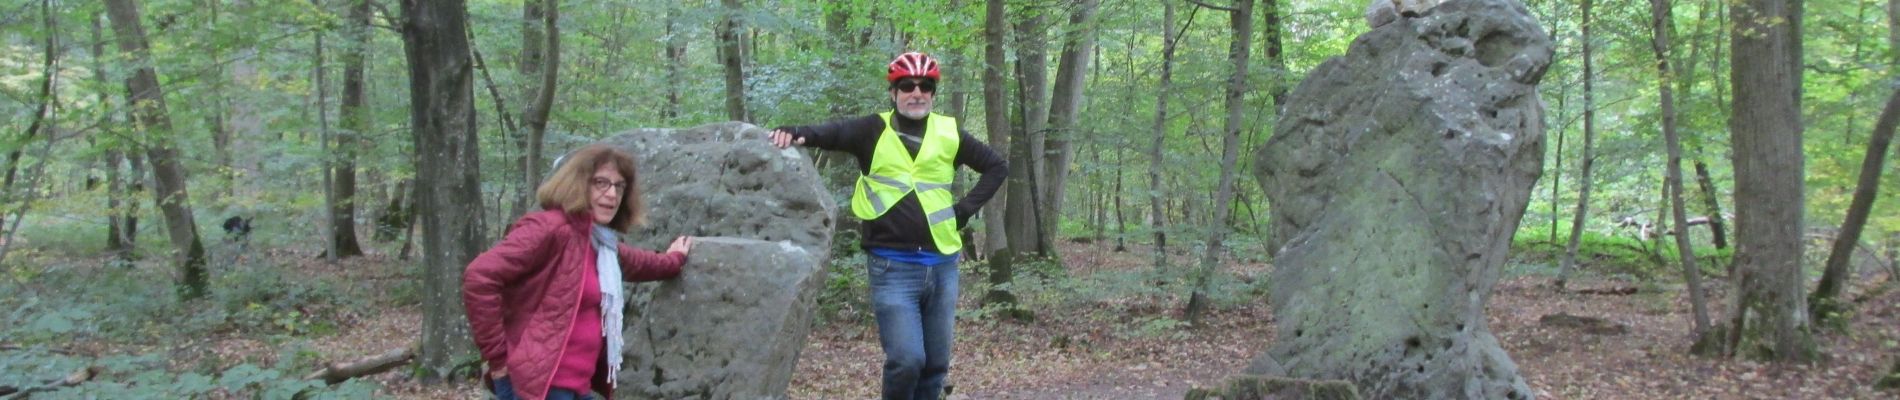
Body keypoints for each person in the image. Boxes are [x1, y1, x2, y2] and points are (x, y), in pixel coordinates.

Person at [768, 51, 1007, 400]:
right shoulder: (871, 130)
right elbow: (829, 133)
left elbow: (996, 167)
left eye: (925, 86)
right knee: (906, 360)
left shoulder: (949, 131)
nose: (917, 93)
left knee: (935, 366)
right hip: (892, 267)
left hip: (943, 266)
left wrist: (964, 210)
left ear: (933, 93)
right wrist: (793, 133)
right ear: (893, 93)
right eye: (907, 86)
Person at [462, 144, 694, 400]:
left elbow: (639, 263)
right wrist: (498, 360)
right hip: (537, 387)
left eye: (619, 186)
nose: (612, 194)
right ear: (578, 184)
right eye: (601, 183)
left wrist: (675, 258)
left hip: (574, 388)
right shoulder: (550, 228)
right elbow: (480, 276)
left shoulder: (598, 243)